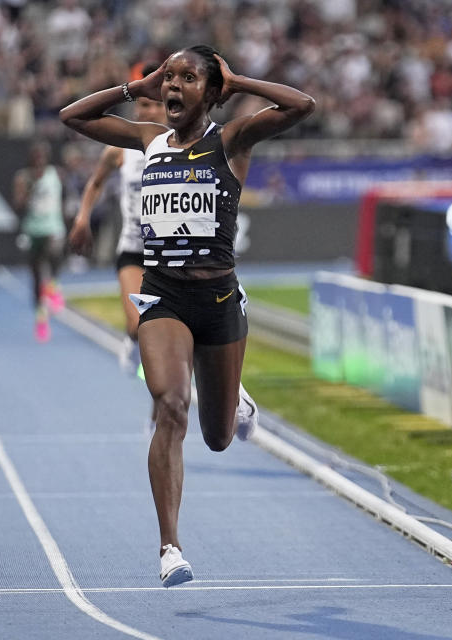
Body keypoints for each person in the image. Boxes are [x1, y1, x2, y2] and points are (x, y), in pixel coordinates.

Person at [60, 45, 314, 587]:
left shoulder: (232, 140)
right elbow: (72, 117)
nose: (173, 86)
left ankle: (235, 393)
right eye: (168, 77)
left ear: (211, 91)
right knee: (170, 405)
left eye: (187, 78)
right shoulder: (147, 140)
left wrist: (241, 79)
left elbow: (301, 106)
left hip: (219, 300)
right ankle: (169, 547)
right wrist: (137, 87)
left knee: (218, 437)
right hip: (164, 297)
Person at [68, 62, 165, 375]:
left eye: (151, 106)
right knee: (139, 325)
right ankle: (131, 338)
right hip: (134, 248)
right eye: (140, 106)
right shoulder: (121, 150)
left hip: (169, 253)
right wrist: (83, 217)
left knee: (167, 339)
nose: (143, 113)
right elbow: (95, 182)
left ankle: (159, 411)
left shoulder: (182, 147)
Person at [13, 140, 66, 343]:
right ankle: (41, 318)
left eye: (43, 156)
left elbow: (61, 198)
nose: (39, 161)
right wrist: (29, 189)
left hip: (53, 227)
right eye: (36, 157)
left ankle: (53, 286)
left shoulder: (57, 174)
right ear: (31, 158)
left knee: (54, 254)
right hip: (33, 229)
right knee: (36, 278)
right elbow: (17, 205)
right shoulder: (22, 177)